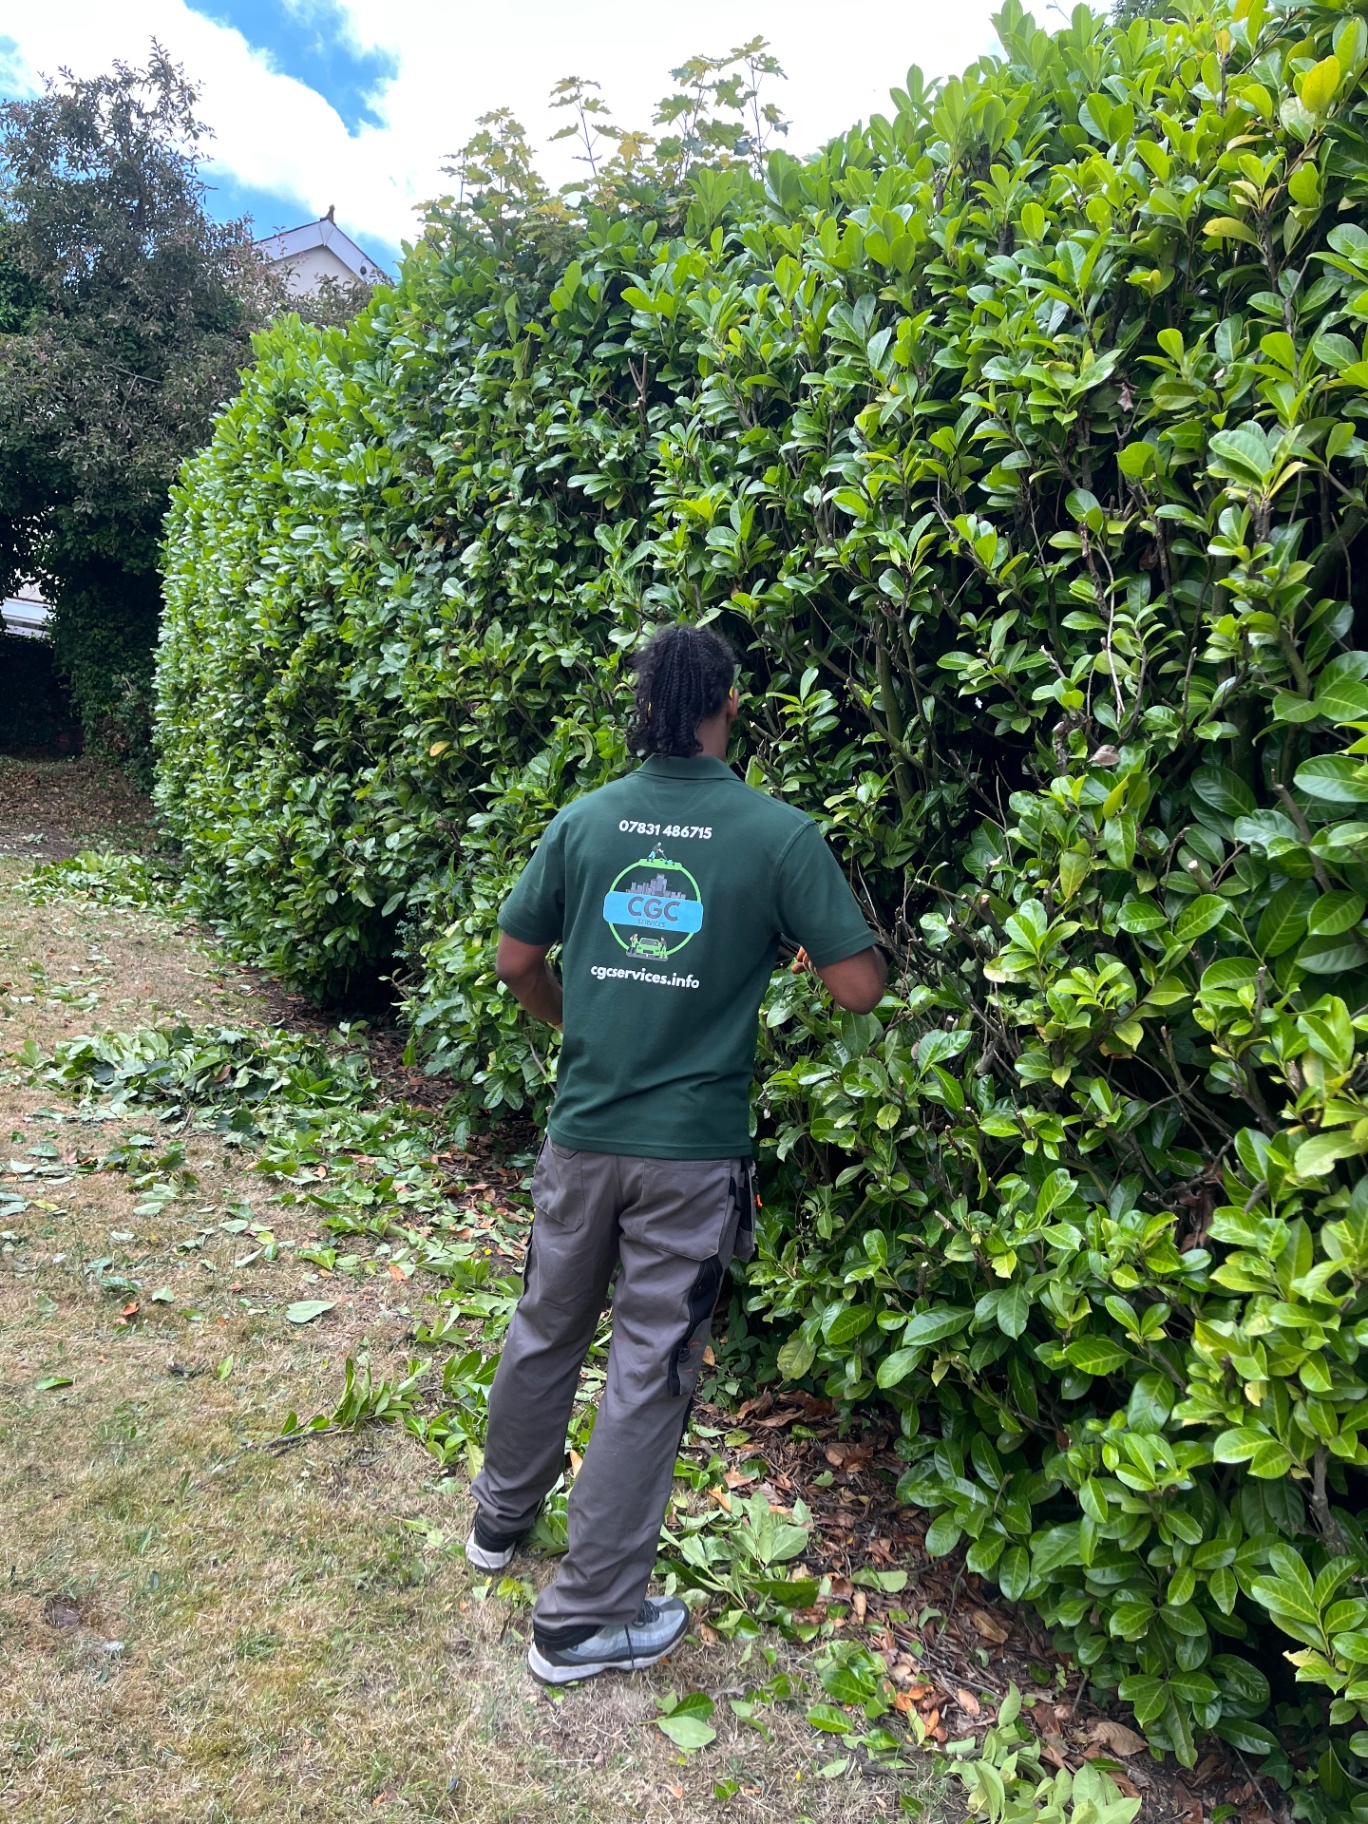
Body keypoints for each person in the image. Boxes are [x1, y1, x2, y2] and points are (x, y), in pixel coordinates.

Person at [467, 623, 887, 1684]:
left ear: (644, 706)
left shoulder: (587, 819)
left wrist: (575, 1024)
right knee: (649, 1371)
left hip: (583, 1132)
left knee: (545, 1321)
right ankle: (585, 1618)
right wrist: (785, 941)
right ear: (728, 707)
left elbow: (518, 958)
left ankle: (498, 1521)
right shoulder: (778, 836)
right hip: (692, 1153)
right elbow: (860, 989)